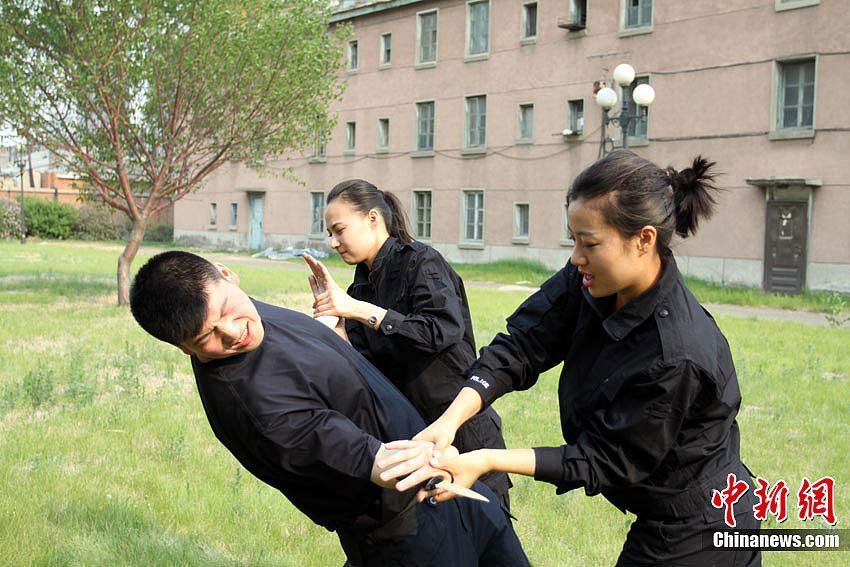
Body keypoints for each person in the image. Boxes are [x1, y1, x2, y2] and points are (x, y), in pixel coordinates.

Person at [383, 150, 761, 566]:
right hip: (665, 513)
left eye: (590, 243)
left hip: (703, 525)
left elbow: (602, 459)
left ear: (644, 239)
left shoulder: (676, 353)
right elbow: (523, 344)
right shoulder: (591, 280)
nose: (577, 256)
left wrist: (486, 459)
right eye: (574, 239)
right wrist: (449, 421)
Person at [129, 251, 529, 567]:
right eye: (207, 336)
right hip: (410, 530)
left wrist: (334, 321)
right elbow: (381, 464)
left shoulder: (253, 316)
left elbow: (312, 362)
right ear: (185, 348)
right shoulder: (256, 406)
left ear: (227, 274)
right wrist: (458, 452)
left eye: (224, 311)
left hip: (455, 495)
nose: (234, 332)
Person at [303, 179, 511, 507]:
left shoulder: (421, 263)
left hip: (459, 427)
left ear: (373, 219)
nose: (333, 242)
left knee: (488, 540)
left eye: (339, 230)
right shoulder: (359, 290)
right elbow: (367, 371)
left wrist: (361, 311)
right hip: (410, 438)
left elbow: (441, 330)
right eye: (329, 233)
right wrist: (336, 328)